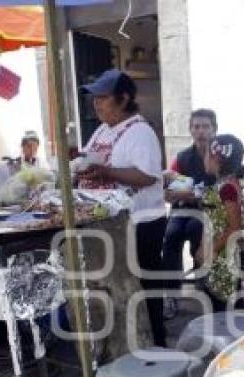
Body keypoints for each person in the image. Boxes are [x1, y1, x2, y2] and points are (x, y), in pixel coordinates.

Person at [77, 69, 168, 347]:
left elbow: (148, 176)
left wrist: (107, 172)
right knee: (120, 287)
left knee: (144, 288)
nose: (96, 103)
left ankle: (156, 345)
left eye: (103, 98)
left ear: (123, 98)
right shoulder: (103, 129)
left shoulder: (140, 132)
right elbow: (87, 157)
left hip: (142, 223)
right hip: (112, 223)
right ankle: (129, 343)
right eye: (95, 98)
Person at [161, 109, 218, 318]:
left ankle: (204, 283)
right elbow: (168, 190)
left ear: (214, 129)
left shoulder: (219, 156)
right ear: (190, 130)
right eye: (196, 126)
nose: (201, 131)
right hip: (182, 209)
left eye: (205, 126)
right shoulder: (183, 156)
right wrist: (186, 190)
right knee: (171, 236)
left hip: (209, 210)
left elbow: (215, 191)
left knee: (197, 230)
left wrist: (186, 190)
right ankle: (171, 294)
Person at [197, 134, 244, 310]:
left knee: (224, 309)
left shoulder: (227, 189)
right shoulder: (223, 185)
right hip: (218, 254)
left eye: (206, 154)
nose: (204, 158)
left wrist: (212, 249)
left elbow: (234, 227)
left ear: (215, 157)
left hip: (225, 259)